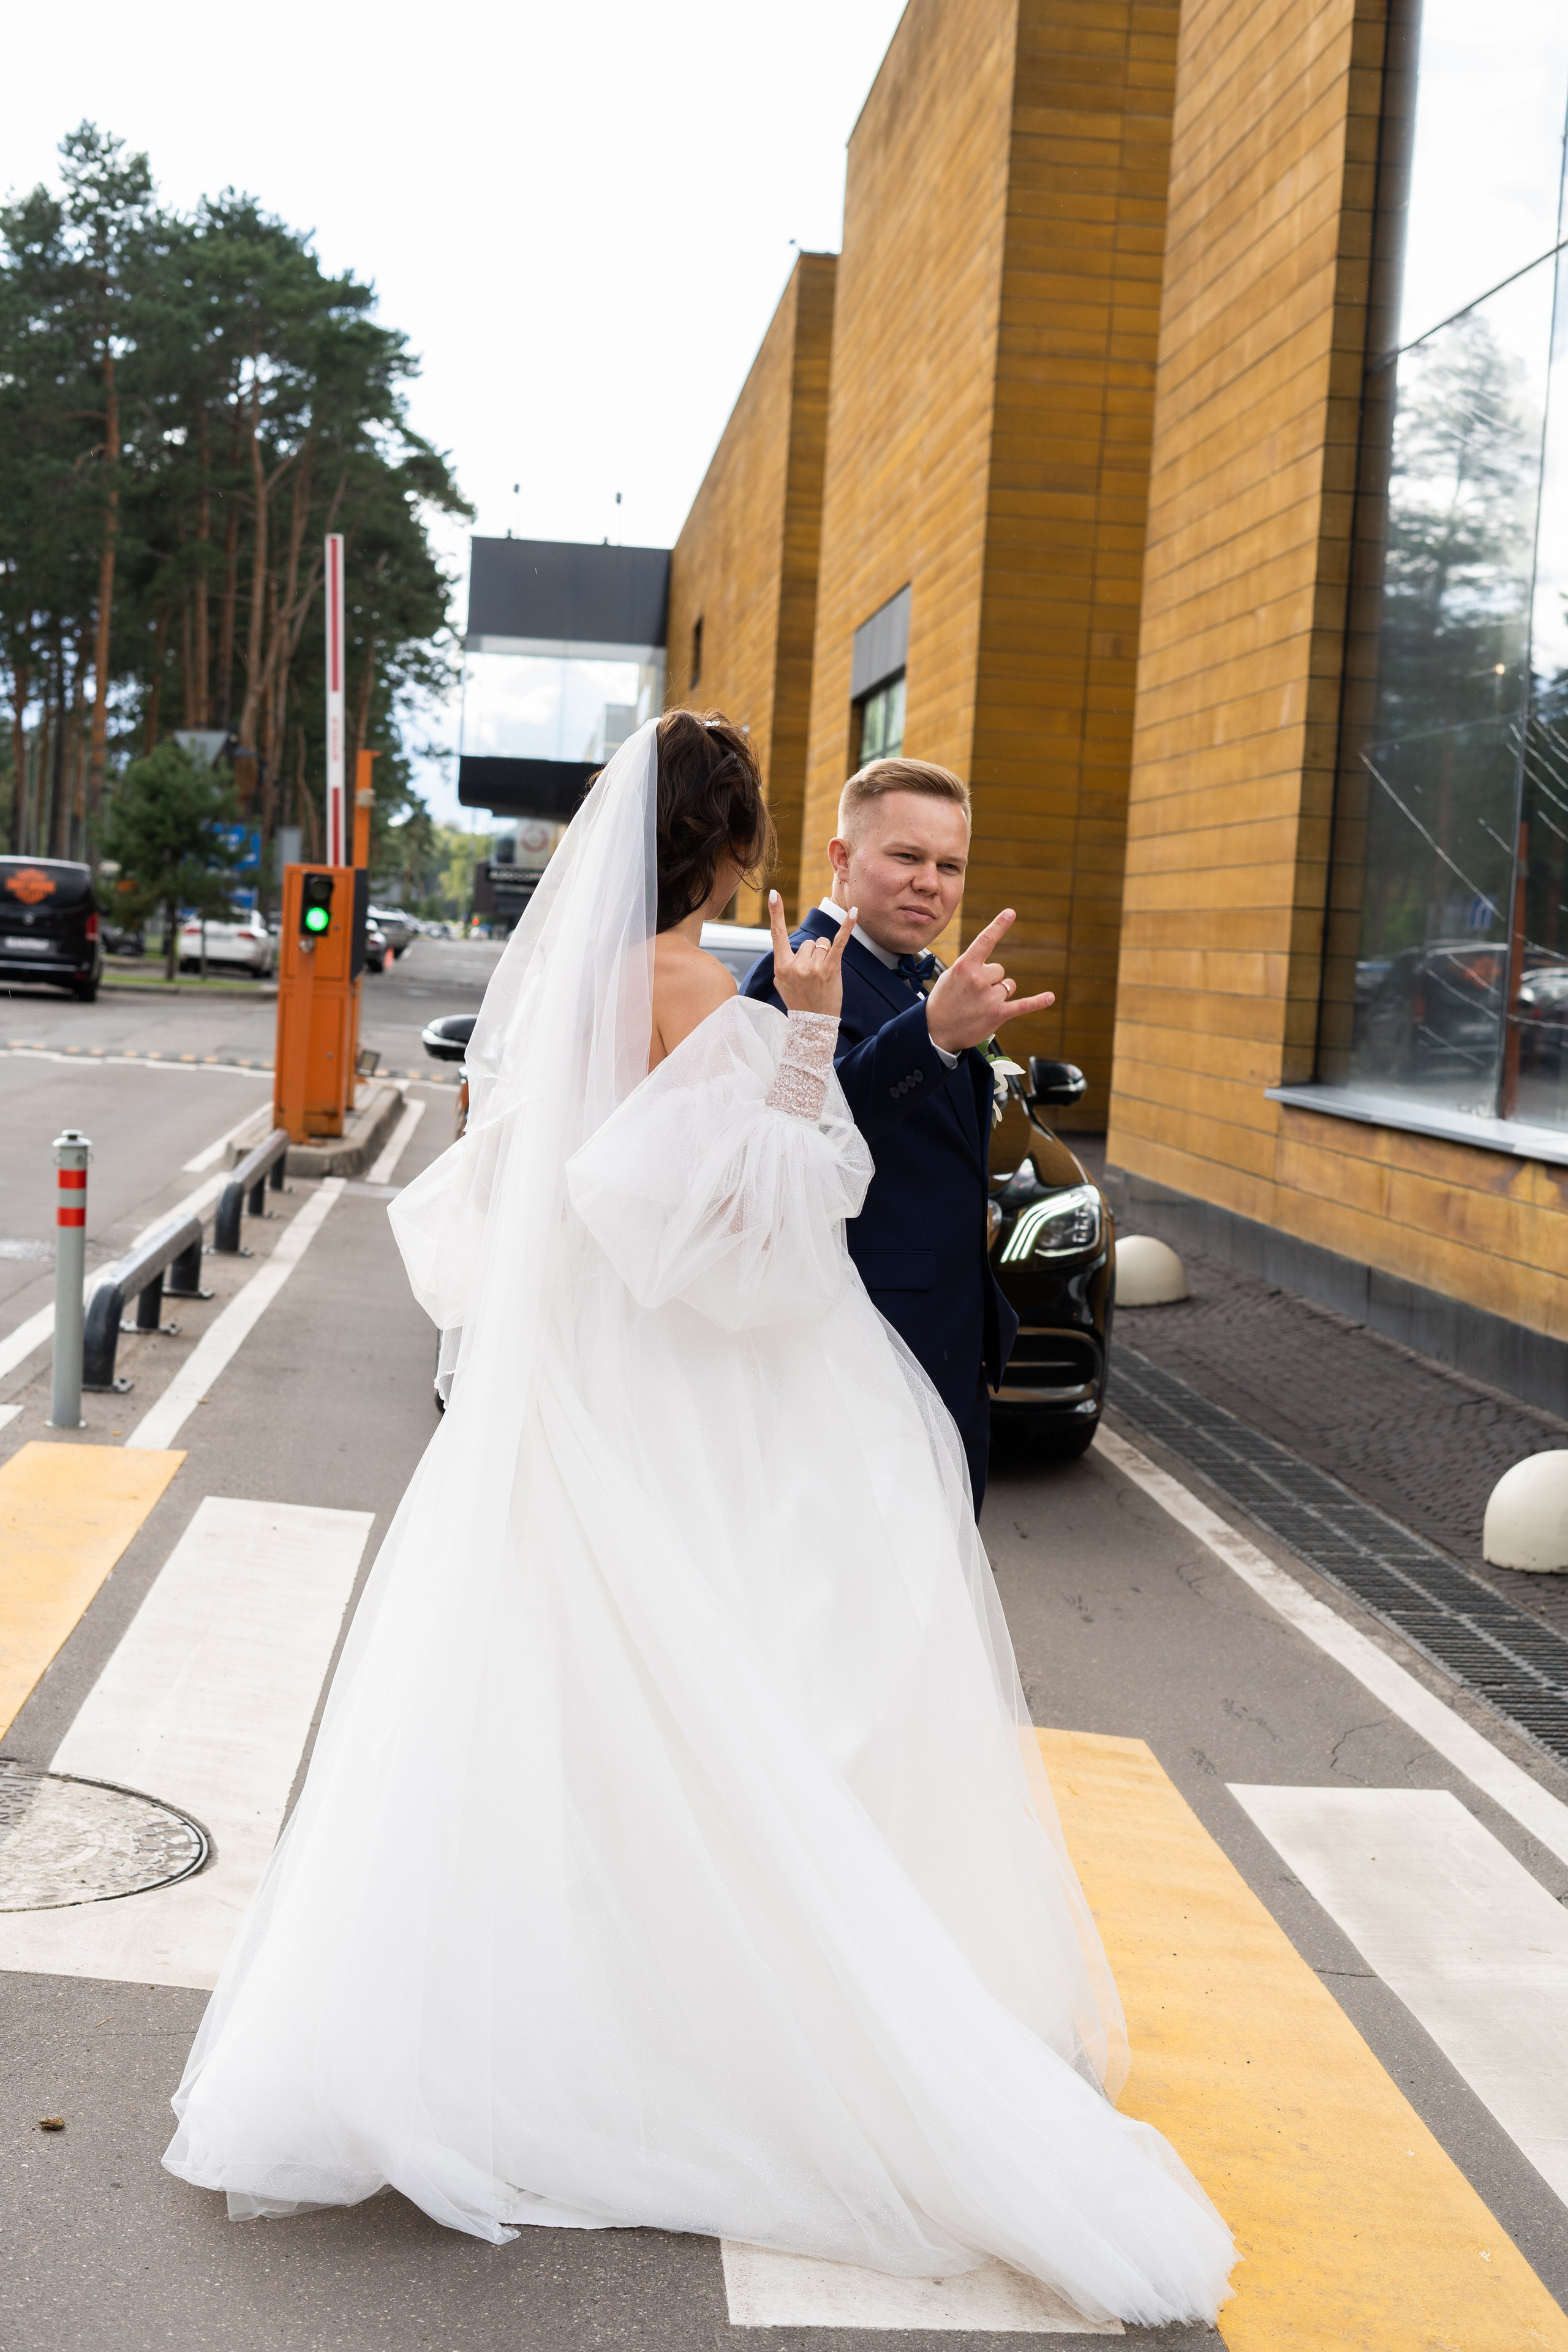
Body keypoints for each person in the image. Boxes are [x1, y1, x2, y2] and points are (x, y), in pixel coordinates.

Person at [164, 712, 1233, 2328]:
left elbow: (532, 1208)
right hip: (691, 1386)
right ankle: (719, 2014)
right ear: (734, 854)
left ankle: (513, 2015)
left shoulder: (578, 1004)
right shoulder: (700, 995)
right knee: (745, 1689)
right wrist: (804, 1040)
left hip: (569, 1394)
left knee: (555, 1701)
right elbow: (751, 1221)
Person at [742, 758, 1040, 1513]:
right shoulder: (791, 975)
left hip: (947, 1339)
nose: (930, 883)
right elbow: (800, 1136)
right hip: (858, 1344)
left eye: (950, 865)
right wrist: (933, 1034)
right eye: (906, 857)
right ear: (842, 859)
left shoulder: (924, 974)